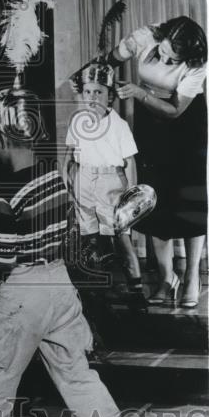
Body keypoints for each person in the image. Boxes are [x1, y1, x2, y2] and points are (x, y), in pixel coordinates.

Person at [0, 87, 148, 417]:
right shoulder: (54, 180)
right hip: (60, 285)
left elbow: (1, 260)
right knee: (79, 378)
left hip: (22, 294)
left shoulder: (3, 196)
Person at [110, 17, 207, 309]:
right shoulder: (147, 36)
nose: (164, 58)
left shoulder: (197, 65)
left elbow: (176, 110)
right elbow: (113, 57)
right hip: (149, 122)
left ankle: (191, 277)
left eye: (172, 59)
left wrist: (138, 93)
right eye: (163, 51)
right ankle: (167, 279)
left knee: (190, 201)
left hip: (185, 124)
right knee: (153, 197)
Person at [64, 60, 143, 305]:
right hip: (84, 180)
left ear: (110, 97)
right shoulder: (78, 121)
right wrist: (68, 185)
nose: (92, 97)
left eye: (98, 92)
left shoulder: (118, 126)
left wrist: (132, 196)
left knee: (120, 236)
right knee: (90, 237)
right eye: (88, 91)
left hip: (112, 183)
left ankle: (136, 289)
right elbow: (68, 157)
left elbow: (130, 162)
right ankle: (97, 286)